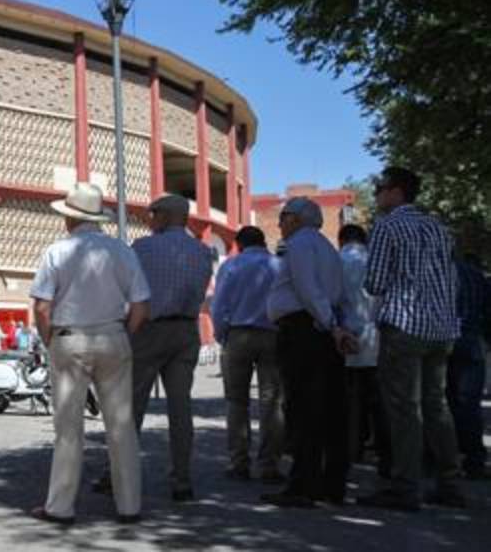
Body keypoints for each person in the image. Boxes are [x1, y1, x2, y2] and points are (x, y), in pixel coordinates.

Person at [28, 182, 149, 525]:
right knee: (121, 427)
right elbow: (141, 306)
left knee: (68, 429)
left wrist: (50, 339)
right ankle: (129, 506)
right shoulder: (122, 251)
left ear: (70, 218)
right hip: (113, 336)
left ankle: (61, 506)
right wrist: (123, 334)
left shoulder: (57, 252)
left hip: (70, 339)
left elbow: (41, 307)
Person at [357, 167, 465, 512]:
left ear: (397, 191)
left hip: (405, 326)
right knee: (437, 406)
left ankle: (406, 487)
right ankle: (451, 483)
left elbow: (373, 283)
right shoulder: (439, 227)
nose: (377, 196)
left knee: (405, 410)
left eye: (380, 189)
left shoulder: (388, 226)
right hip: (442, 328)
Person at [101, 194, 212, 502]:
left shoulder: (142, 248)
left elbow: (128, 292)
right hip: (186, 331)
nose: (148, 220)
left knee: (131, 405)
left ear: (162, 216)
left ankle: (118, 475)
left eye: (151, 214)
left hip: (149, 330)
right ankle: (182, 479)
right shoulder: (203, 253)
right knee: (181, 408)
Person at [261, 197, 356, 508]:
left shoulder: (300, 244)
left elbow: (307, 287)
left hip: (304, 330)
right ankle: (331, 483)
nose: (279, 223)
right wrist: (340, 327)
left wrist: (330, 324)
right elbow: (339, 294)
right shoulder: (327, 247)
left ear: (298, 219)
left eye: (284, 216)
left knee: (304, 410)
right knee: (330, 410)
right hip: (322, 330)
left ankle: (303, 485)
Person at [210, 225, 284, 483]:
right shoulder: (278, 265)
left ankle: (239, 461)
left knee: (236, 401)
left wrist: (222, 335)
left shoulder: (231, 266)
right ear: (263, 242)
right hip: (273, 334)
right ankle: (269, 464)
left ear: (239, 244)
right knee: (272, 400)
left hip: (239, 334)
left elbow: (219, 304)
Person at [339, 224, 392, 479]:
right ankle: (385, 453)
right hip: (379, 335)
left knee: (351, 399)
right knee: (380, 400)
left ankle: (352, 449)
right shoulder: (377, 259)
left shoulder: (338, 261)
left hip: (347, 336)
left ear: (342, 240)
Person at [448, 253, 488, 479]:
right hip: (473, 343)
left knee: (441, 402)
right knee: (469, 405)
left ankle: (443, 457)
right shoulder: (475, 275)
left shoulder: (436, 274)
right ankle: (474, 460)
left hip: (443, 340)